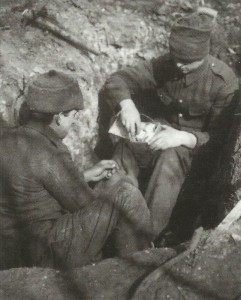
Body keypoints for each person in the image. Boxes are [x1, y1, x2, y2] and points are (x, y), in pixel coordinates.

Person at [95, 9, 239, 239]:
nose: (179, 66)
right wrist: (127, 105)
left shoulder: (223, 82)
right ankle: (102, 217)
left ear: (204, 55)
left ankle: (144, 236)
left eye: (188, 62)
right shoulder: (165, 64)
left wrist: (184, 138)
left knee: (170, 158)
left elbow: (221, 139)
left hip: (193, 152)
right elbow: (118, 79)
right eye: (176, 59)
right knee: (126, 146)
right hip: (157, 135)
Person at [0, 70, 153, 270]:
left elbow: (32, 185)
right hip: (44, 253)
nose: (74, 122)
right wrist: (113, 185)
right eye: (72, 116)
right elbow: (84, 204)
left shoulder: (9, 138)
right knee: (127, 195)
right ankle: (138, 269)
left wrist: (84, 176)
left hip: (11, 250)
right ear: (58, 118)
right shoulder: (50, 152)